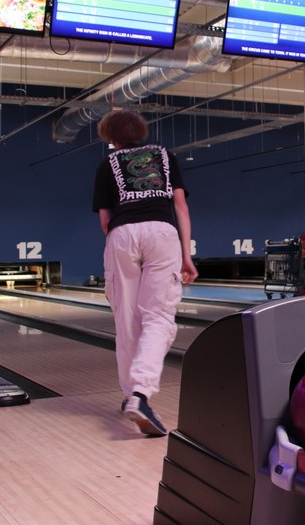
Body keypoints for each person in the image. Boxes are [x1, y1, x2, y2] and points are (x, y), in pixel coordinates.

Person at [93, 109, 198, 436]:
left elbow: (105, 221)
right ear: (139, 132)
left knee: (126, 321)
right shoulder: (165, 156)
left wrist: (122, 239)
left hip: (122, 234)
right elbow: (181, 207)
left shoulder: (106, 164)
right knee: (158, 317)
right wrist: (186, 254)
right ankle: (141, 394)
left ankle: (132, 396)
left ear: (110, 137)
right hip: (162, 232)